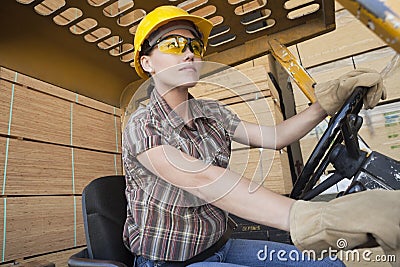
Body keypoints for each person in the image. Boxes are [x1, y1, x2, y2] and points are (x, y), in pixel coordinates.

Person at [122, 5, 400, 267]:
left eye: (195, 46)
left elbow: (276, 137)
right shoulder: (142, 124)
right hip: (169, 262)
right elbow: (202, 178)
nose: (189, 53)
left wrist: (325, 105)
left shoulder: (211, 112)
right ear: (147, 63)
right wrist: (313, 216)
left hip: (220, 246)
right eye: (173, 44)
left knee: (327, 263)